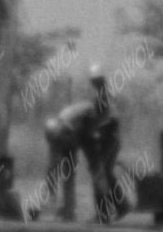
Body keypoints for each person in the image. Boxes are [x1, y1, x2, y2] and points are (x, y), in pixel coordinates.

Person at [44, 67, 123, 221]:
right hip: (78, 132)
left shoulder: (89, 114)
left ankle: (103, 212)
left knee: (96, 172)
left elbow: (95, 125)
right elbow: (53, 165)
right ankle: (70, 210)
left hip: (84, 133)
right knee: (71, 172)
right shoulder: (62, 128)